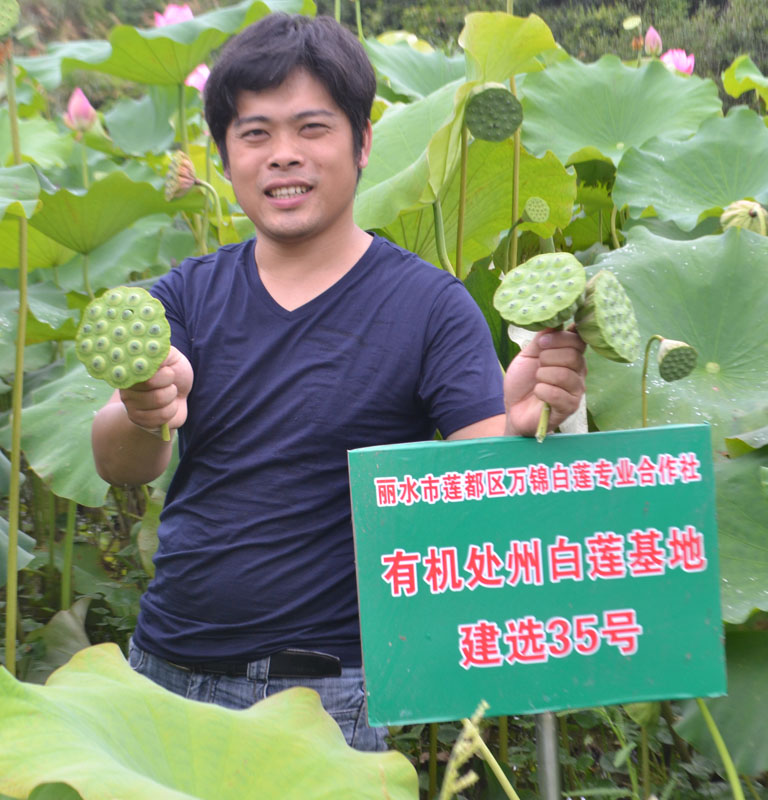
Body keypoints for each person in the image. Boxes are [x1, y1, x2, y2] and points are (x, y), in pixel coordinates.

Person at [90, 12, 586, 752]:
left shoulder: (431, 305)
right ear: (226, 156)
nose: (282, 155)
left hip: (328, 692)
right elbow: (121, 462)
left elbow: (484, 488)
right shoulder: (183, 296)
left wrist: (522, 422)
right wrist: (144, 404)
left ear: (362, 143)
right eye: (255, 133)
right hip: (165, 666)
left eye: (311, 128)